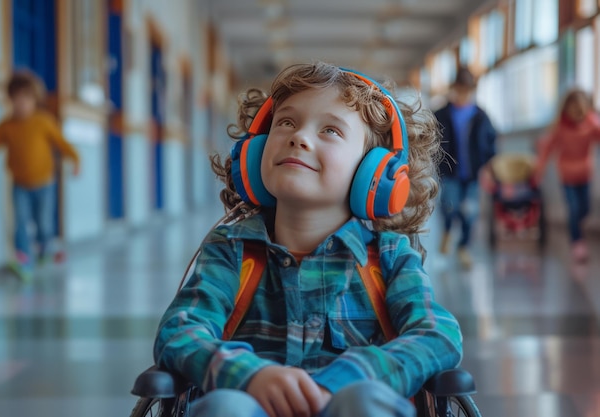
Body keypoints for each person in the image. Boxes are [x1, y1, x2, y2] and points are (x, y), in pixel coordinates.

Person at [153, 62, 462, 417]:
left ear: (376, 173)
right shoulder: (231, 249)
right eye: (286, 122)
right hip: (255, 405)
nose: (298, 137)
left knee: (364, 401)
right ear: (254, 153)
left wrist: (351, 376)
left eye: (330, 130)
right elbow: (180, 329)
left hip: (351, 404)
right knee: (227, 406)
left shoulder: (390, 258)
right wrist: (251, 376)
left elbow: (437, 334)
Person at [0, 70, 80, 280]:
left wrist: (75, 159)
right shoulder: (6, 126)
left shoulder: (43, 122)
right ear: (10, 100)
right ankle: (25, 262)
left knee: (43, 223)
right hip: (20, 184)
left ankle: (44, 248)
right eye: (17, 99)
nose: (21, 104)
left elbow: (62, 143)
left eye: (26, 99)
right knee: (20, 223)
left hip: (45, 183)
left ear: (34, 100)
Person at [434, 66, 497, 269]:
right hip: (449, 172)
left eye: (467, 90)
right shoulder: (441, 114)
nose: (462, 95)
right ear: (454, 89)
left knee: (470, 211)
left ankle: (464, 248)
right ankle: (447, 232)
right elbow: (432, 141)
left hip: (472, 174)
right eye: (459, 90)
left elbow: (490, 142)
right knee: (448, 206)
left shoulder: (480, 116)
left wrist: (488, 166)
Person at [533, 88, 600, 262]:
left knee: (585, 209)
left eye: (580, 110)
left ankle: (578, 231)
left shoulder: (591, 123)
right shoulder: (560, 128)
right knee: (574, 209)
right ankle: (577, 243)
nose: (577, 114)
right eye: (573, 109)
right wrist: (539, 169)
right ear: (566, 110)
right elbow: (547, 148)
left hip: (585, 174)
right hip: (567, 175)